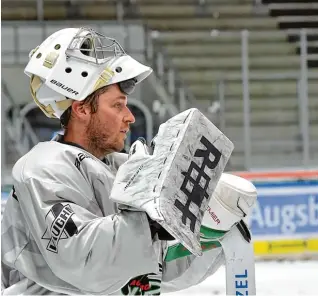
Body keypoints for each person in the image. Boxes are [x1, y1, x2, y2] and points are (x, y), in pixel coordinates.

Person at [1, 27, 257, 295]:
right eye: (117, 105)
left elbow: (151, 272)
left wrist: (203, 230)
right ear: (81, 109)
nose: (129, 117)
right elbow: (83, 261)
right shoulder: (43, 168)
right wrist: (153, 222)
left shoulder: (120, 167)